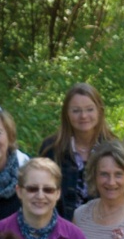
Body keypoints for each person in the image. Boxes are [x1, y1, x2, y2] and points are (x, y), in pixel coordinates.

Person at [38, 83, 111, 219]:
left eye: (89, 109)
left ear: (99, 111)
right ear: (67, 114)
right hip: (60, 227)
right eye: (76, 110)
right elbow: (40, 190)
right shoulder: (51, 148)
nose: (83, 116)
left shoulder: (113, 148)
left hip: (104, 227)